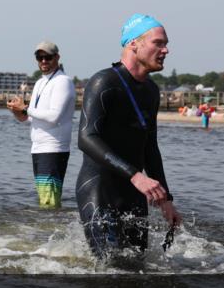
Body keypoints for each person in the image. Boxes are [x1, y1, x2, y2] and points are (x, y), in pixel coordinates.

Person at [75, 14, 182, 259]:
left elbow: (150, 148)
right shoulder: (104, 82)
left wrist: (166, 199)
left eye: (165, 43)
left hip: (133, 192)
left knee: (136, 266)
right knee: (109, 270)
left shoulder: (152, 91)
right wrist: (136, 176)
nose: (166, 50)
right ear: (133, 43)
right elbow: (86, 137)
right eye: (158, 43)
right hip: (99, 188)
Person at [7, 41, 74, 208]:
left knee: (49, 201)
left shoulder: (62, 81)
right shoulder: (39, 82)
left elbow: (53, 116)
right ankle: (46, 232)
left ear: (57, 57)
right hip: (38, 148)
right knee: (44, 199)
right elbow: (30, 118)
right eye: (40, 57)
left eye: (48, 57)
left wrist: (25, 108)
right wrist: (18, 111)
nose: (43, 61)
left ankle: (52, 231)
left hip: (53, 148)